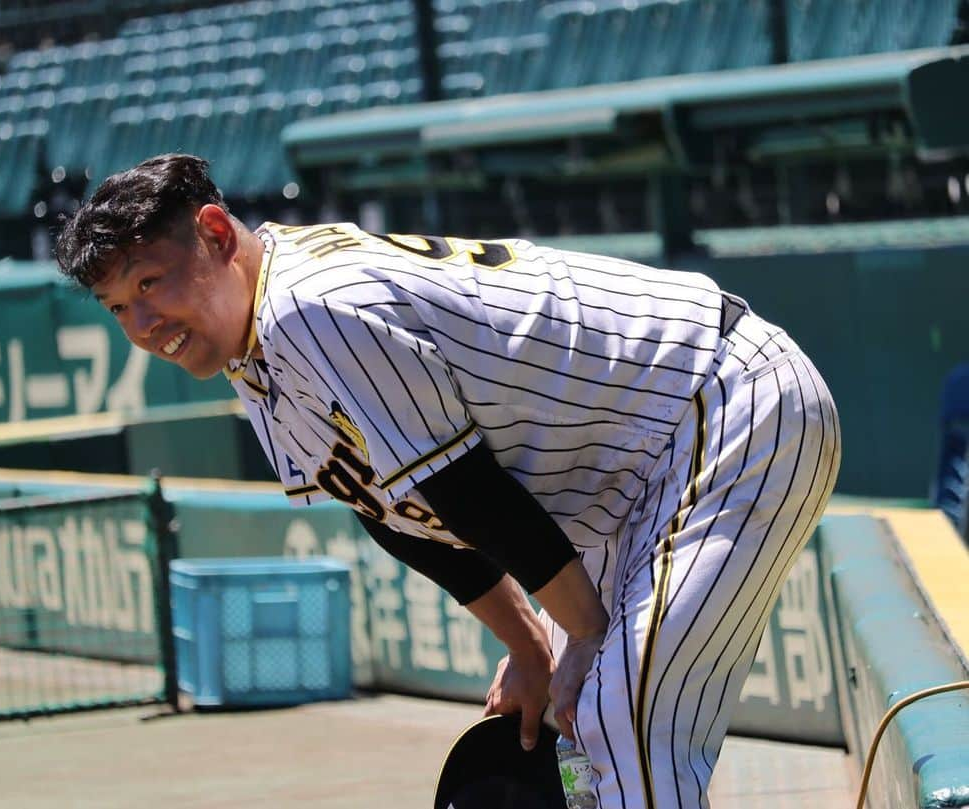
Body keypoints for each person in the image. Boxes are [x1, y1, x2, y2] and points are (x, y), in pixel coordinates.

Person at [56, 154, 841, 809]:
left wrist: (583, 636)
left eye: (150, 284)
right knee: (580, 720)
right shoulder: (253, 350)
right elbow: (397, 511)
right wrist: (530, 644)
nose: (141, 326)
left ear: (216, 233)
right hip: (633, 472)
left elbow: (468, 490)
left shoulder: (308, 307)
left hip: (718, 398)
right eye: (118, 307)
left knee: (618, 714)